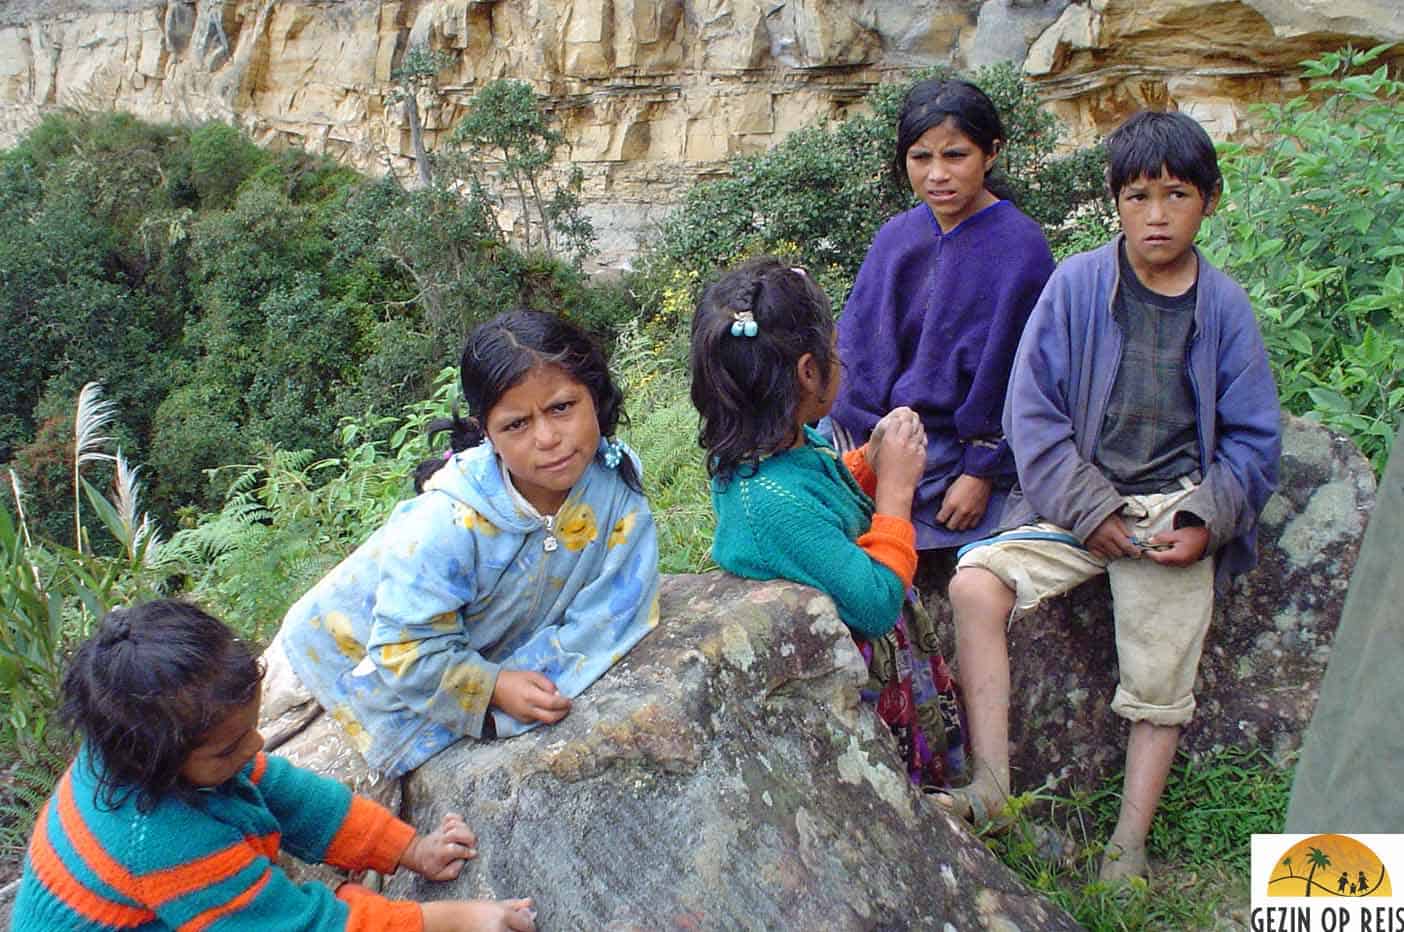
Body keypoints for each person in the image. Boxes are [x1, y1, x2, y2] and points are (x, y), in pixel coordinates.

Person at [945, 111, 1280, 880]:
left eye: (1176, 195)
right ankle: (993, 787)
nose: (1156, 216)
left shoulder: (1224, 308)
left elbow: (1255, 441)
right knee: (973, 584)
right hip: (1075, 506)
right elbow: (1031, 415)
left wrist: (1204, 519)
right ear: (1115, 204)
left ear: (1211, 201)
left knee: (1161, 676)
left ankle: (1126, 848)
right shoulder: (1076, 286)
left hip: (1171, 510)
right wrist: (1088, 509)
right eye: (1137, 196)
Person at [263, 309, 661, 787]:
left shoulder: (616, 490)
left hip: (424, 672)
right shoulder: (449, 521)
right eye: (517, 424)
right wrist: (489, 687)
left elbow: (618, 610)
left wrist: (517, 689)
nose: (548, 438)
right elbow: (403, 645)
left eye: (561, 408)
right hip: (320, 666)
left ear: (594, 397)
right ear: (487, 432)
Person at [11, 600, 536, 932]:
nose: (256, 745)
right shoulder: (161, 839)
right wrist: (452, 920)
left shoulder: (138, 743)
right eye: (229, 748)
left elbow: (291, 796)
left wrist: (407, 849)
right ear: (160, 764)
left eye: (251, 728)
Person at [690, 256, 967, 788]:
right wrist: (895, 491)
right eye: (833, 352)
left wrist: (868, 461)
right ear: (808, 372)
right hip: (856, 681)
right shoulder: (768, 500)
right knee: (902, 795)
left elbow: (822, 494)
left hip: (868, 648)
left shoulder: (777, 450)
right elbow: (874, 602)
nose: (839, 362)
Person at [828, 78, 1055, 550]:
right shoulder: (897, 238)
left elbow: (1023, 376)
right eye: (921, 158)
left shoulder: (1021, 248)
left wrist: (981, 472)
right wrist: (869, 450)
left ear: (991, 153)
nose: (937, 175)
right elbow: (856, 356)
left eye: (955, 155)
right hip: (878, 435)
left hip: (958, 452)